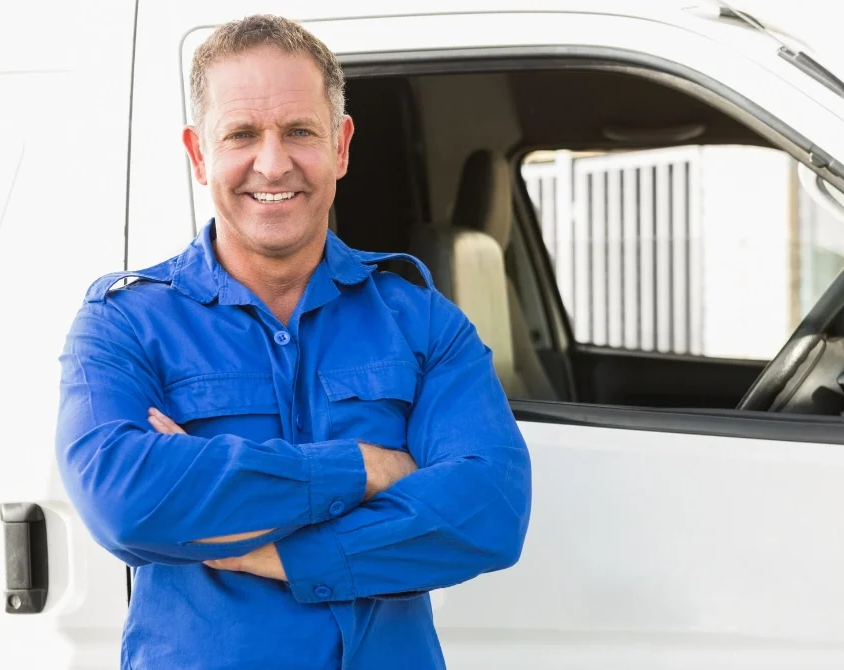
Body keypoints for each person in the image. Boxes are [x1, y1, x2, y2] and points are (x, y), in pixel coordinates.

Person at [55, 14, 531, 670]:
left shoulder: (421, 319)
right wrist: (363, 468)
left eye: (300, 131)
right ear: (200, 154)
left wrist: (259, 548)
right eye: (243, 133)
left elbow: (491, 509)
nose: (272, 162)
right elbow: (123, 502)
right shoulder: (124, 324)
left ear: (341, 145)